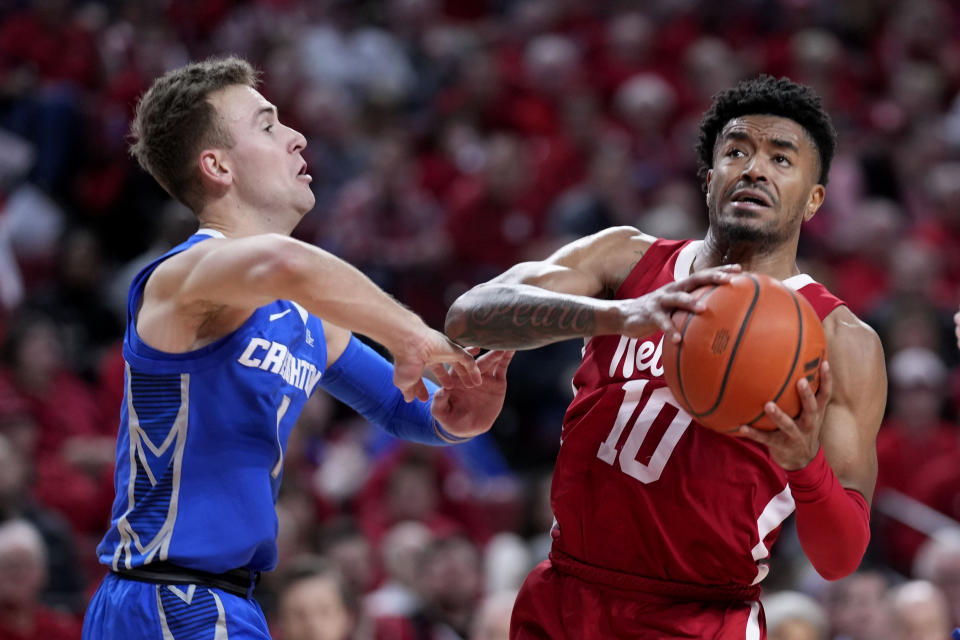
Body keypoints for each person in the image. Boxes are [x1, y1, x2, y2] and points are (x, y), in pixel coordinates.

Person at [82, 56, 513, 640]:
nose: (296, 136)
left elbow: (401, 407)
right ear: (216, 166)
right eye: (267, 125)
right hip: (165, 597)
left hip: (225, 601)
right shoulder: (182, 279)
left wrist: (459, 416)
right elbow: (286, 263)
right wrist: (411, 333)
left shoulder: (305, 319)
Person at [445, 75, 887, 638]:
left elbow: (840, 557)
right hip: (564, 594)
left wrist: (804, 466)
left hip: (699, 616)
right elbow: (468, 314)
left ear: (814, 198)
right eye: (736, 152)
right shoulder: (626, 260)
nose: (753, 169)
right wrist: (615, 316)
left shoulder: (841, 339)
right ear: (708, 180)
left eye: (781, 159)